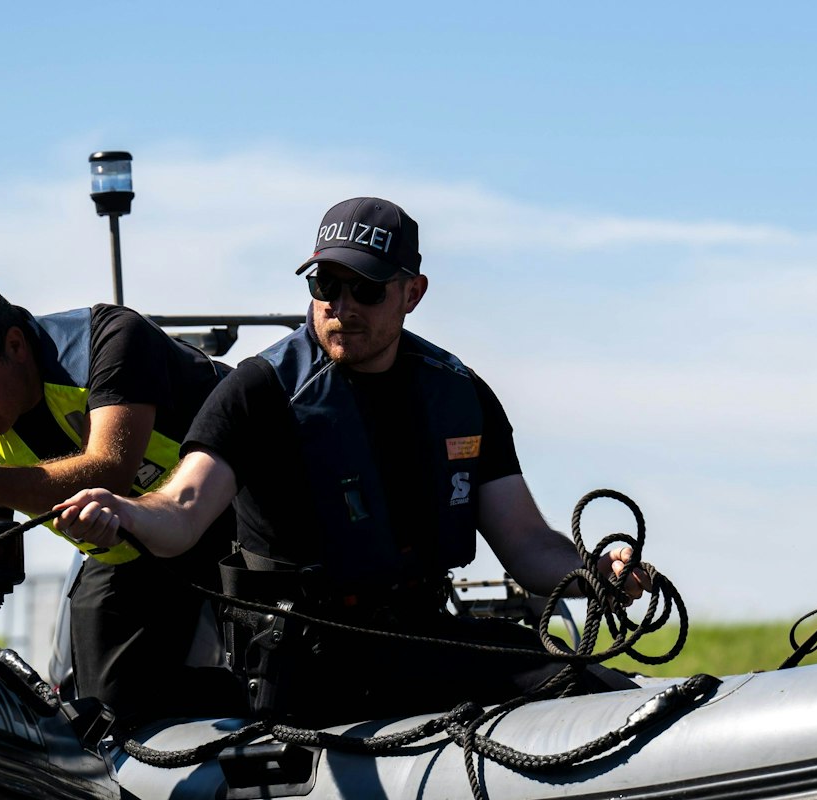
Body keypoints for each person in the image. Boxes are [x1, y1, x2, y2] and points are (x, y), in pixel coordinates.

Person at [53, 196, 644, 722]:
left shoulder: (460, 395)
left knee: (585, 684)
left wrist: (600, 575)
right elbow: (181, 512)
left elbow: (529, 548)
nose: (342, 304)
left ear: (412, 293)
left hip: (417, 636)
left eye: (365, 288)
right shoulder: (260, 391)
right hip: (307, 659)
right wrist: (126, 512)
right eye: (325, 286)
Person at [0, 272, 239, 725]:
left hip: (242, 525)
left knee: (276, 675)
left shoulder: (111, 341)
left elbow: (110, 469)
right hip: (133, 557)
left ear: (16, 345)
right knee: (107, 713)